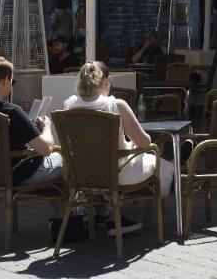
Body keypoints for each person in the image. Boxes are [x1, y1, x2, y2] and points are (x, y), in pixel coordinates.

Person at [62, 61, 174, 232]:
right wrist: (137, 142)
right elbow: (144, 142)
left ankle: (108, 215)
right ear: (106, 82)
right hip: (116, 174)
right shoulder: (116, 105)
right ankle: (116, 220)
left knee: (103, 158)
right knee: (163, 164)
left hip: (83, 173)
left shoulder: (68, 104)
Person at [0, 57, 67, 232]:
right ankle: (76, 217)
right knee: (65, 160)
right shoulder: (12, 112)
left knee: (53, 172)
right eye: (12, 81)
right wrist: (46, 128)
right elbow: (46, 149)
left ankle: (64, 218)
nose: (11, 85)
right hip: (19, 172)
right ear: (5, 81)